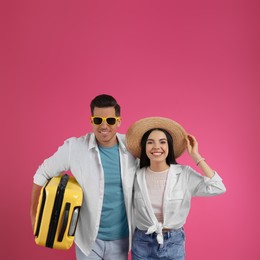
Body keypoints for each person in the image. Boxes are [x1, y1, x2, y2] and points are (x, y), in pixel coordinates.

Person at [30, 94, 137, 260]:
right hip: (88, 241)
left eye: (109, 120)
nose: (103, 126)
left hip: (121, 241)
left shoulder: (133, 148)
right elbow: (42, 173)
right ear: (91, 121)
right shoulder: (75, 147)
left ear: (118, 121)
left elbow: (158, 164)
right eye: (97, 120)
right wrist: (34, 214)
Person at [125, 117, 226, 260]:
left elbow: (218, 187)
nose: (156, 147)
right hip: (142, 242)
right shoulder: (135, 175)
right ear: (144, 147)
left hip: (174, 242)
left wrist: (196, 156)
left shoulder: (184, 174)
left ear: (169, 146)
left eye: (162, 142)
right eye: (150, 142)